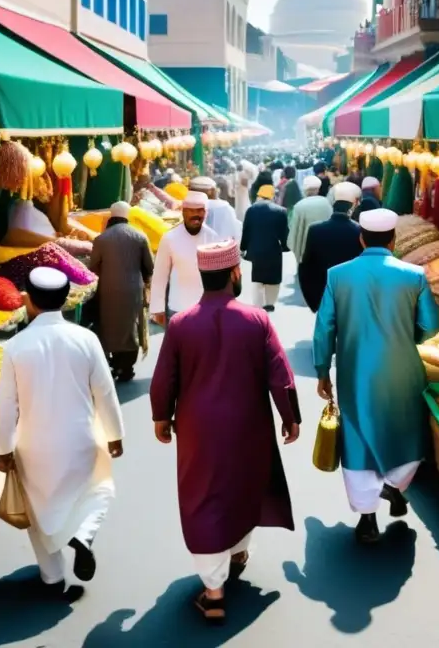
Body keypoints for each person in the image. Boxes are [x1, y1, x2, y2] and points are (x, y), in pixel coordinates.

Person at [150, 239, 300, 623]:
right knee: (243, 486)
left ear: (203, 275)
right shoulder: (257, 320)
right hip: (248, 424)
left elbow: (164, 378)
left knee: (203, 497)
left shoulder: (182, 324)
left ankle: (213, 590)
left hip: (198, 429)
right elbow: (280, 374)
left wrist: (161, 417)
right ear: (235, 273)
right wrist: (290, 416)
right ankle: (237, 552)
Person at [312, 209, 439, 544]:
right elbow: (431, 326)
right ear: (394, 239)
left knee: (357, 436)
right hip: (403, 368)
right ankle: (393, 485)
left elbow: (324, 328)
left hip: (355, 371)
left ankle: (367, 519)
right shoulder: (414, 275)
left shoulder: (337, 275)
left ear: (361, 238)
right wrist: (408, 337)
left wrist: (322, 370)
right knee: (405, 430)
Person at [0, 267, 124, 600]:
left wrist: (2, 449)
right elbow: (105, 392)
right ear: (66, 300)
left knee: (40, 509)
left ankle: (52, 577)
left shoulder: (16, 347)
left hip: (32, 444)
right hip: (81, 439)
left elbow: (7, 404)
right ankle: (84, 533)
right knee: (99, 490)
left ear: (30, 302)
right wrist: (115, 433)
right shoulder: (86, 339)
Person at [89, 202, 154, 383]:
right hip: (133, 290)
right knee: (130, 327)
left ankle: (112, 363)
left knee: (109, 325)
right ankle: (126, 367)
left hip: (107, 290)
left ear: (111, 216)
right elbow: (149, 266)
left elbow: (93, 266)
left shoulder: (102, 239)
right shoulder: (140, 236)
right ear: (127, 216)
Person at [149, 192, 218, 324]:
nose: (195, 215)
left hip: (206, 309)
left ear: (206, 213)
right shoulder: (170, 238)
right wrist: (157, 309)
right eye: (191, 211)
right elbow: (160, 276)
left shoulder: (213, 237)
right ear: (183, 212)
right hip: (177, 308)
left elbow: (219, 277)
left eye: (199, 210)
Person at [300, 184, 364, 313]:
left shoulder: (315, 229)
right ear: (351, 208)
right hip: (350, 293)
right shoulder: (359, 231)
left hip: (323, 292)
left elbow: (306, 265)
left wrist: (313, 301)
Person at [240, 184, 288, 312]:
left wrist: (243, 248)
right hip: (273, 249)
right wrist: (284, 246)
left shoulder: (251, 210)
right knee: (273, 278)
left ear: (259, 196)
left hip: (255, 249)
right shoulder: (281, 211)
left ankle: (258, 306)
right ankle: (270, 303)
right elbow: (284, 234)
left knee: (257, 278)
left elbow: (246, 231)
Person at [287, 176, 332, 263]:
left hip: (305, 254)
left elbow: (293, 232)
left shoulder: (299, 206)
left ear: (305, 190)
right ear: (318, 189)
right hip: (326, 250)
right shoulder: (327, 203)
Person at [190, 176, 241, 242]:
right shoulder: (225, 207)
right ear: (210, 191)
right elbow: (235, 232)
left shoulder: (187, 207)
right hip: (220, 249)